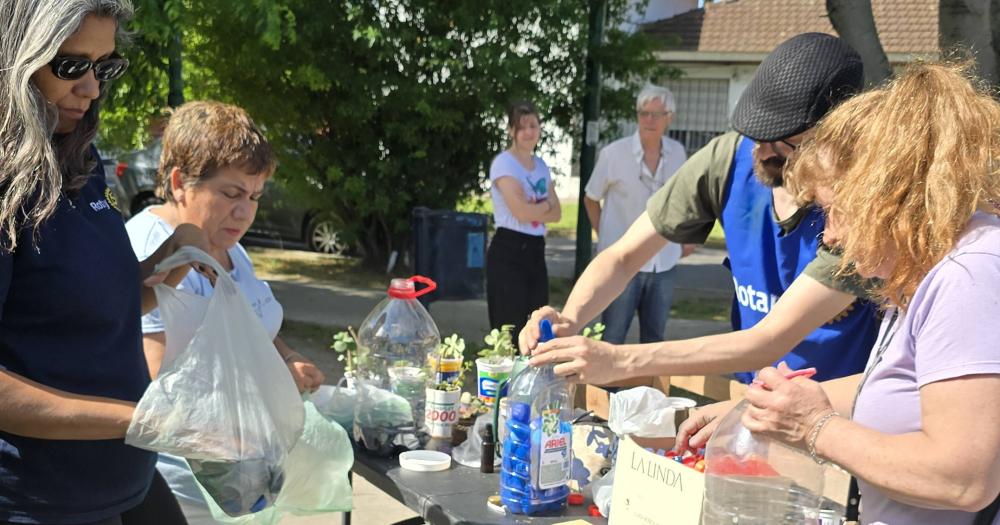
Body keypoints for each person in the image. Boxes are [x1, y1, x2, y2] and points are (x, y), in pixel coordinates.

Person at [680, 61, 1000, 525]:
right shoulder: (925, 266)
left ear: (889, 196)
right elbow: (901, 388)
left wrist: (813, 427)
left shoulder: (968, 275)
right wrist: (759, 408)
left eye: (833, 211)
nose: (828, 236)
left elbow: (963, 479)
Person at [523, 33, 879, 385]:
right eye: (755, 131)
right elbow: (623, 256)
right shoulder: (728, 160)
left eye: (782, 137)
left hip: (837, 411)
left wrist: (619, 359)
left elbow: (769, 340)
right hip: (754, 397)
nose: (761, 148)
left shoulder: (859, 210)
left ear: (834, 136)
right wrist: (569, 320)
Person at [0, 1, 209, 523]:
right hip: (38, 499)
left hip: (119, 479)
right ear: (17, 58)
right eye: (70, 65)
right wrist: (144, 417)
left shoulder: (75, 156)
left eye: (105, 66)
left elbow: (87, 305)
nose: (92, 88)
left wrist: (172, 254)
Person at [125, 100, 326, 523]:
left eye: (254, 196)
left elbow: (253, 325)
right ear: (180, 182)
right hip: (182, 484)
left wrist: (287, 357)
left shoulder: (232, 249)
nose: (245, 211)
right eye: (231, 193)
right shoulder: (149, 247)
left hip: (240, 471)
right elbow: (157, 372)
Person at [583, 85, 688, 344]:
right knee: (612, 337)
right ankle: (606, 387)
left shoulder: (678, 153)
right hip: (622, 264)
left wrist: (690, 238)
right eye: (643, 113)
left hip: (663, 262)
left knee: (654, 340)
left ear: (670, 117)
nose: (649, 120)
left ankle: (648, 387)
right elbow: (591, 198)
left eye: (656, 114)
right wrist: (605, 236)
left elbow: (686, 199)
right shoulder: (613, 154)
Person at [486, 101, 561, 338]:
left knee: (537, 321)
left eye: (533, 126)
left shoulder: (541, 165)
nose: (529, 132)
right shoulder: (504, 163)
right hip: (509, 248)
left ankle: (533, 372)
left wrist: (537, 208)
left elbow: (558, 212)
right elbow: (520, 212)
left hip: (536, 249)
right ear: (511, 131)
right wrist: (544, 206)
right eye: (522, 127)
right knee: (508, 325)